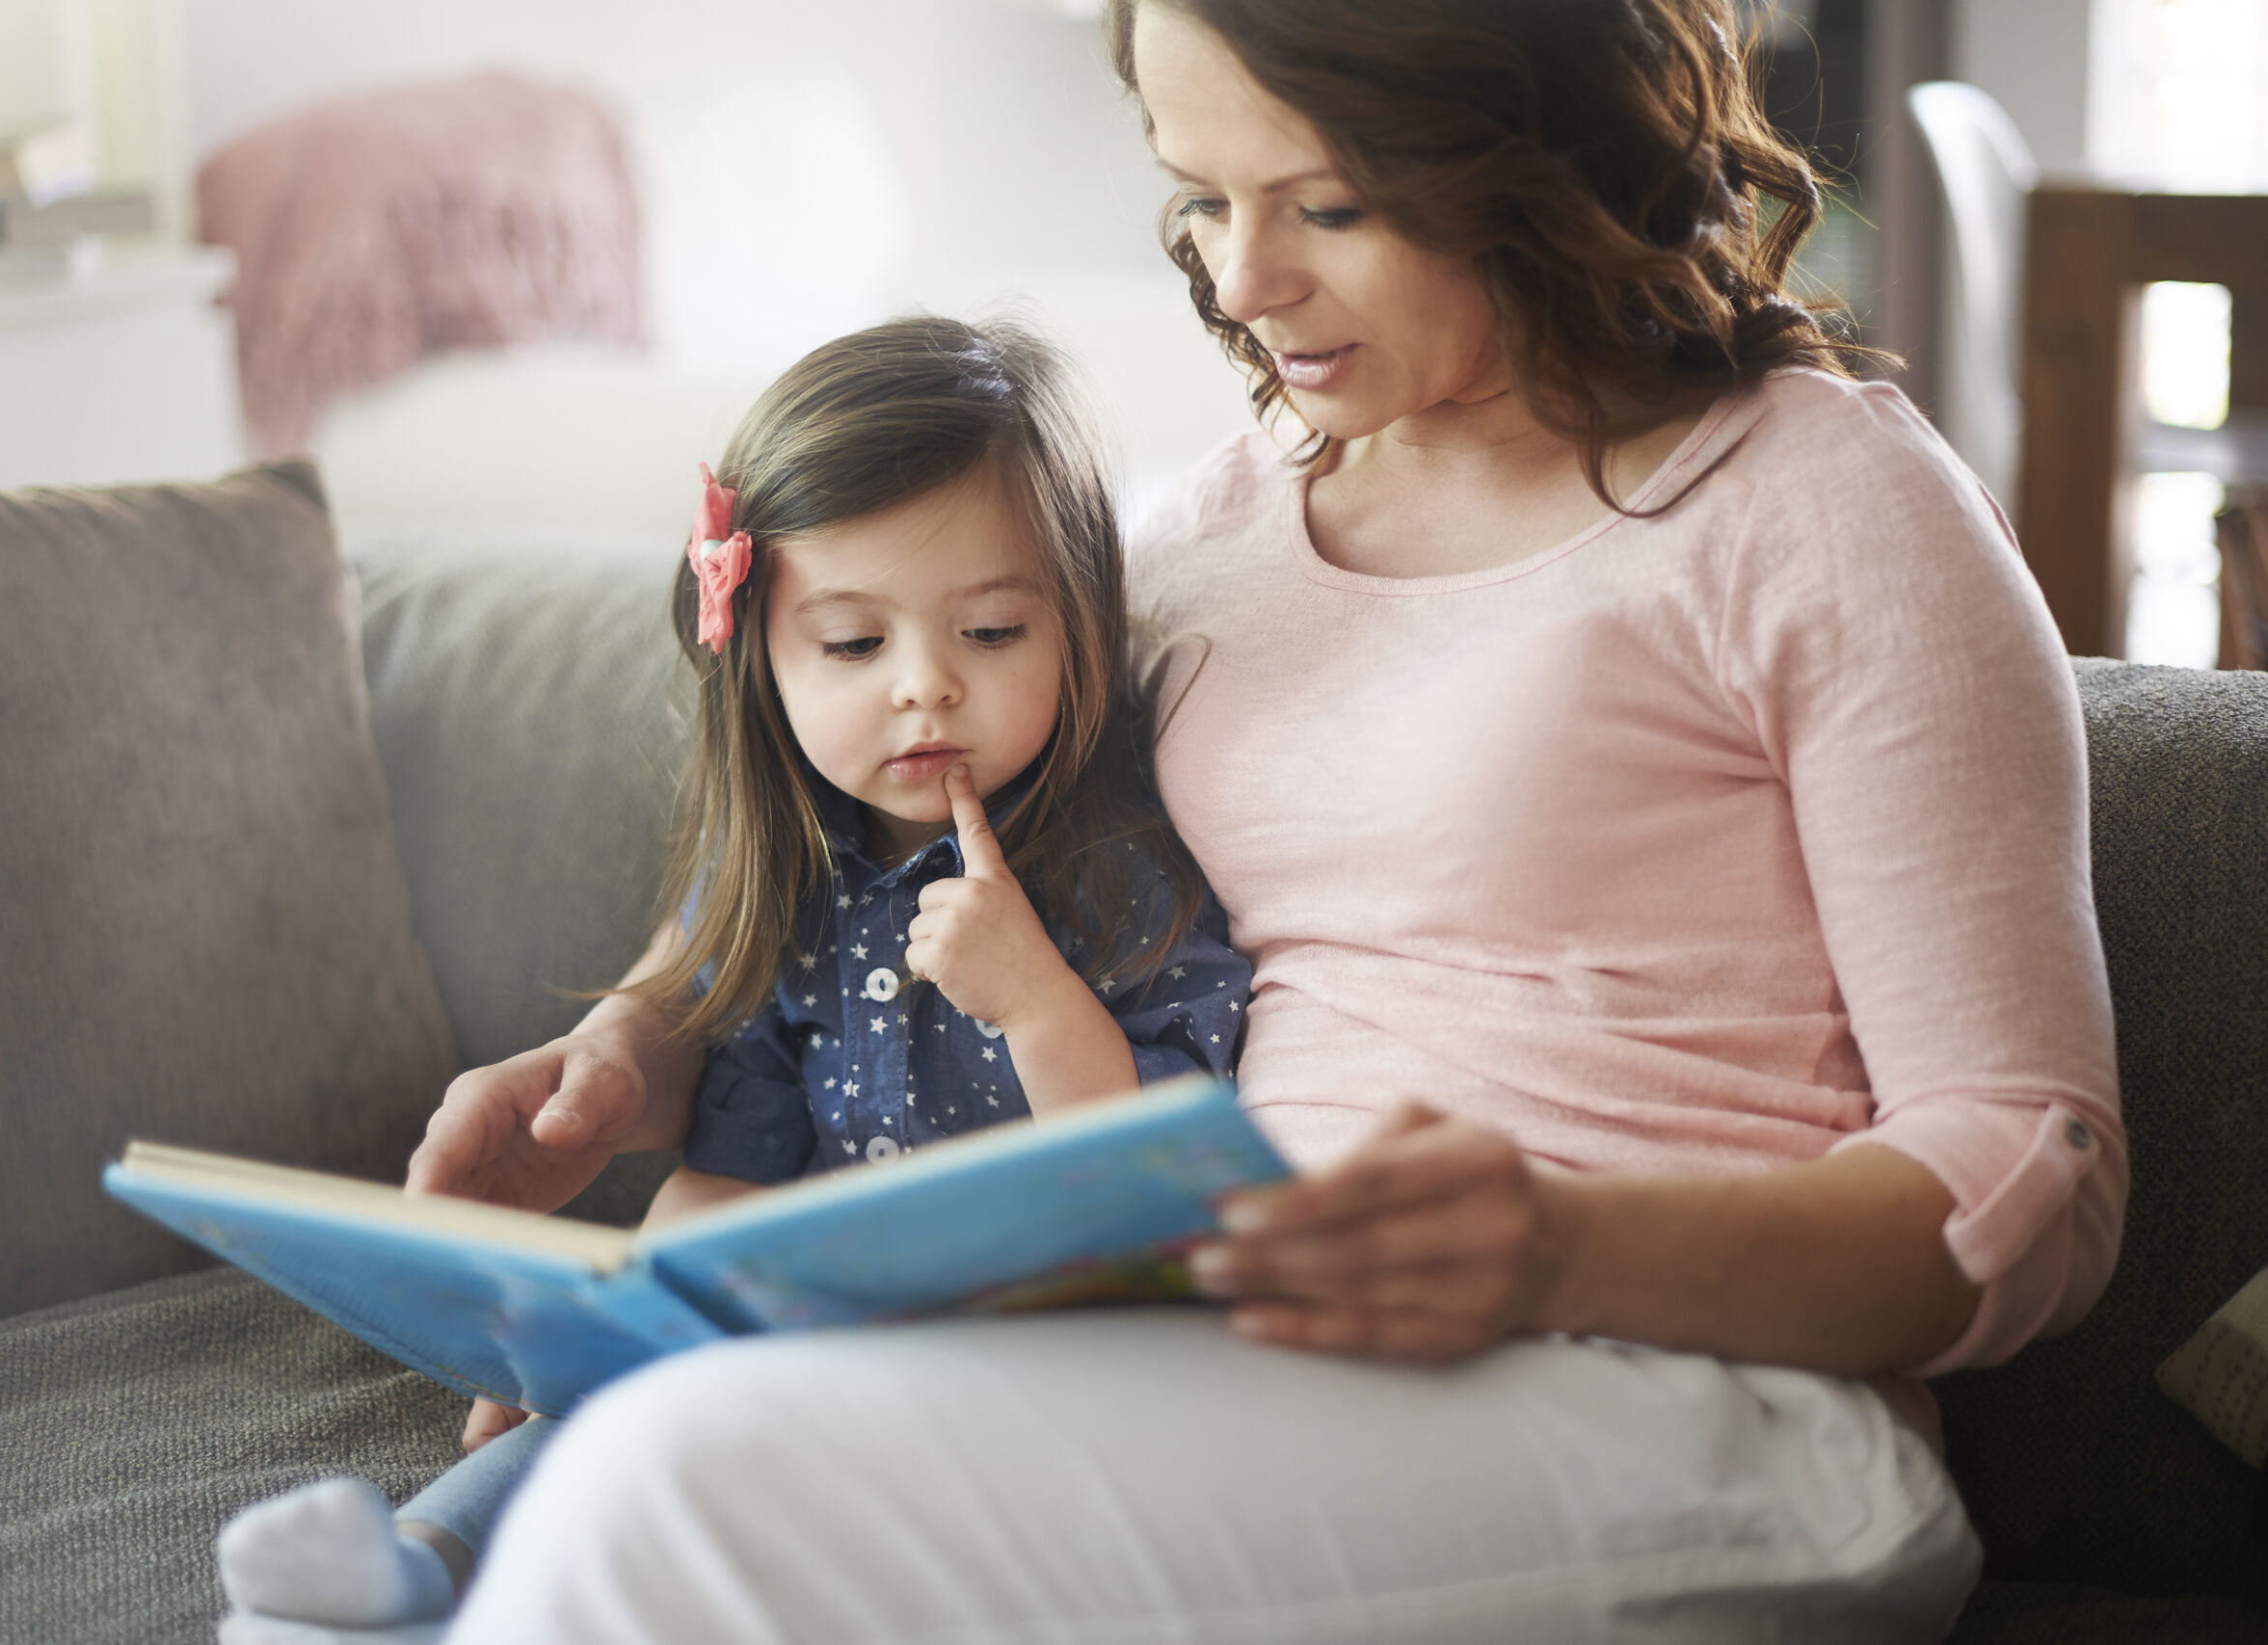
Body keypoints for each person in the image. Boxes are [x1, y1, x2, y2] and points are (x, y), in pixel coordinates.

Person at [413, 3, 2128, 1641]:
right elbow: (879, 830)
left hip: (1703, 1412)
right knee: (663, 1435)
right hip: (1223, 1335)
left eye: (1329, 201)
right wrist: (641, 1038)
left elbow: (2035, 1175)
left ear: (1546, 147)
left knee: (687, 1491)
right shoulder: (1208, 534)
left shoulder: (1825, 506)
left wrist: (1551, 1246)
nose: (1242, 278)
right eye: (1200, 196)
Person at [212, 315, 1250, 1645]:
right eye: (854, 645)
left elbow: (1165, 1185)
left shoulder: (1127, 875)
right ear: (759, 655)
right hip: (803, 1340)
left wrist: (1039, 1000)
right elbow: (732, 1160)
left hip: (1029, 1365)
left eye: (991, 631)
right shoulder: (791, 879)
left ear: (1078, 631)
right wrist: (618, 1327)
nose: (927, 689)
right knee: (591, 1424)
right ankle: (411, 1562)